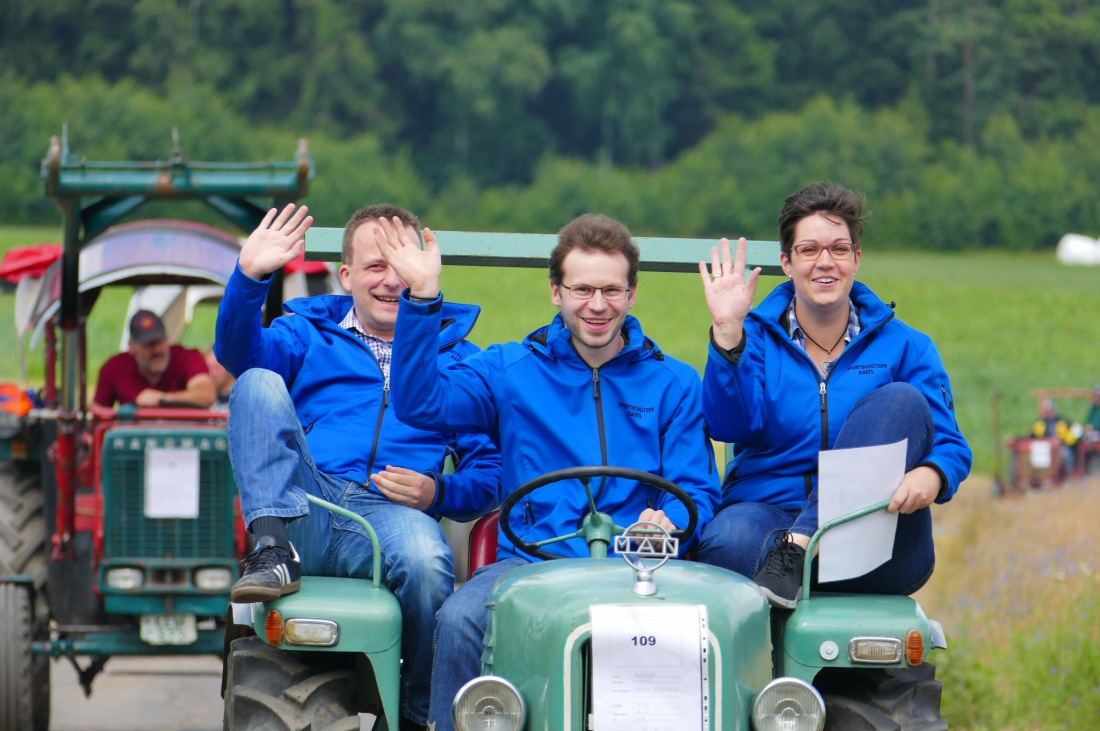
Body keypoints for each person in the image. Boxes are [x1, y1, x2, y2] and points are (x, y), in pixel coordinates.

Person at [374, 212, 720, 731]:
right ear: (556, 292)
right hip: (532, 563)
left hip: (644, 567)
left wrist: (667, 523)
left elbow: (695, 488)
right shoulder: (510, 370)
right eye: (582, 289)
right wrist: (422, 297)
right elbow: (421, 402)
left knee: (720, 623)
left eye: (611, 290)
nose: (597, 305)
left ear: (632, 294)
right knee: (461, 618)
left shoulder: (673, 382)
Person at [214, 203, 501, 731]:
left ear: (425, 269)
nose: (391, 280)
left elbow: (489, 470)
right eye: (375, 266)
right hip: (307, 501)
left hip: (388, 514)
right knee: (256, 381)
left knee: (425, 558)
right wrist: (250, 277)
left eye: (402, 264)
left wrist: (436, 492)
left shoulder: (458, 360)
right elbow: (239, 353)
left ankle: (420, 711)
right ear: (346, 276)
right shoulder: (306, 335)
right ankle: (272, 547)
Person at [696, 181, 972, 609]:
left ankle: (802, 544)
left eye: (839, 249)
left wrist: (933, 474)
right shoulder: (754, 340)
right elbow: (729, 426)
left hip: (873, 526)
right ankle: (793, 555)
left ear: (856, 260)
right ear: (787, 262)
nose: (825, 262)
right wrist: (729, 335)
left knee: (900, 399)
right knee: (726, 543)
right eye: (809, 250)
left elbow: (951, 443)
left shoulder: (906, 346)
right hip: (767, 518)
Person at [94, 309, 216, 409]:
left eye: (160, 342)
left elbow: (207, 395)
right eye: (149, 345)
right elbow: (97, 413)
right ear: (132, 346)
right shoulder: (114, 368)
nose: (157, 351)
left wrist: (163, 398)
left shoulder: (188, 358)